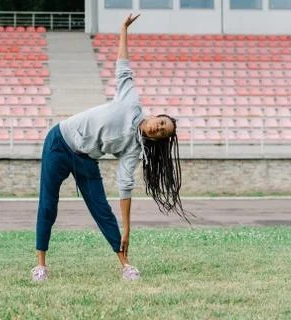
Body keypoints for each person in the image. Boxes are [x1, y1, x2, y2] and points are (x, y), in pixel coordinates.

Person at [32, 14, 188, 281]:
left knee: (102, 210)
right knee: (48, 204)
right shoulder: (131, 99)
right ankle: (40, 266)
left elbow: (125, 185)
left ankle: (125, 265)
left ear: (158, 140)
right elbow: (123, 65)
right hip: (59, 141)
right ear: (155, 116)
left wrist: (127, 228)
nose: (158, 128)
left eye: (162, 132)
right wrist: (123, 29)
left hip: (85, 159)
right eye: (160, 123)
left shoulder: (134, 149)